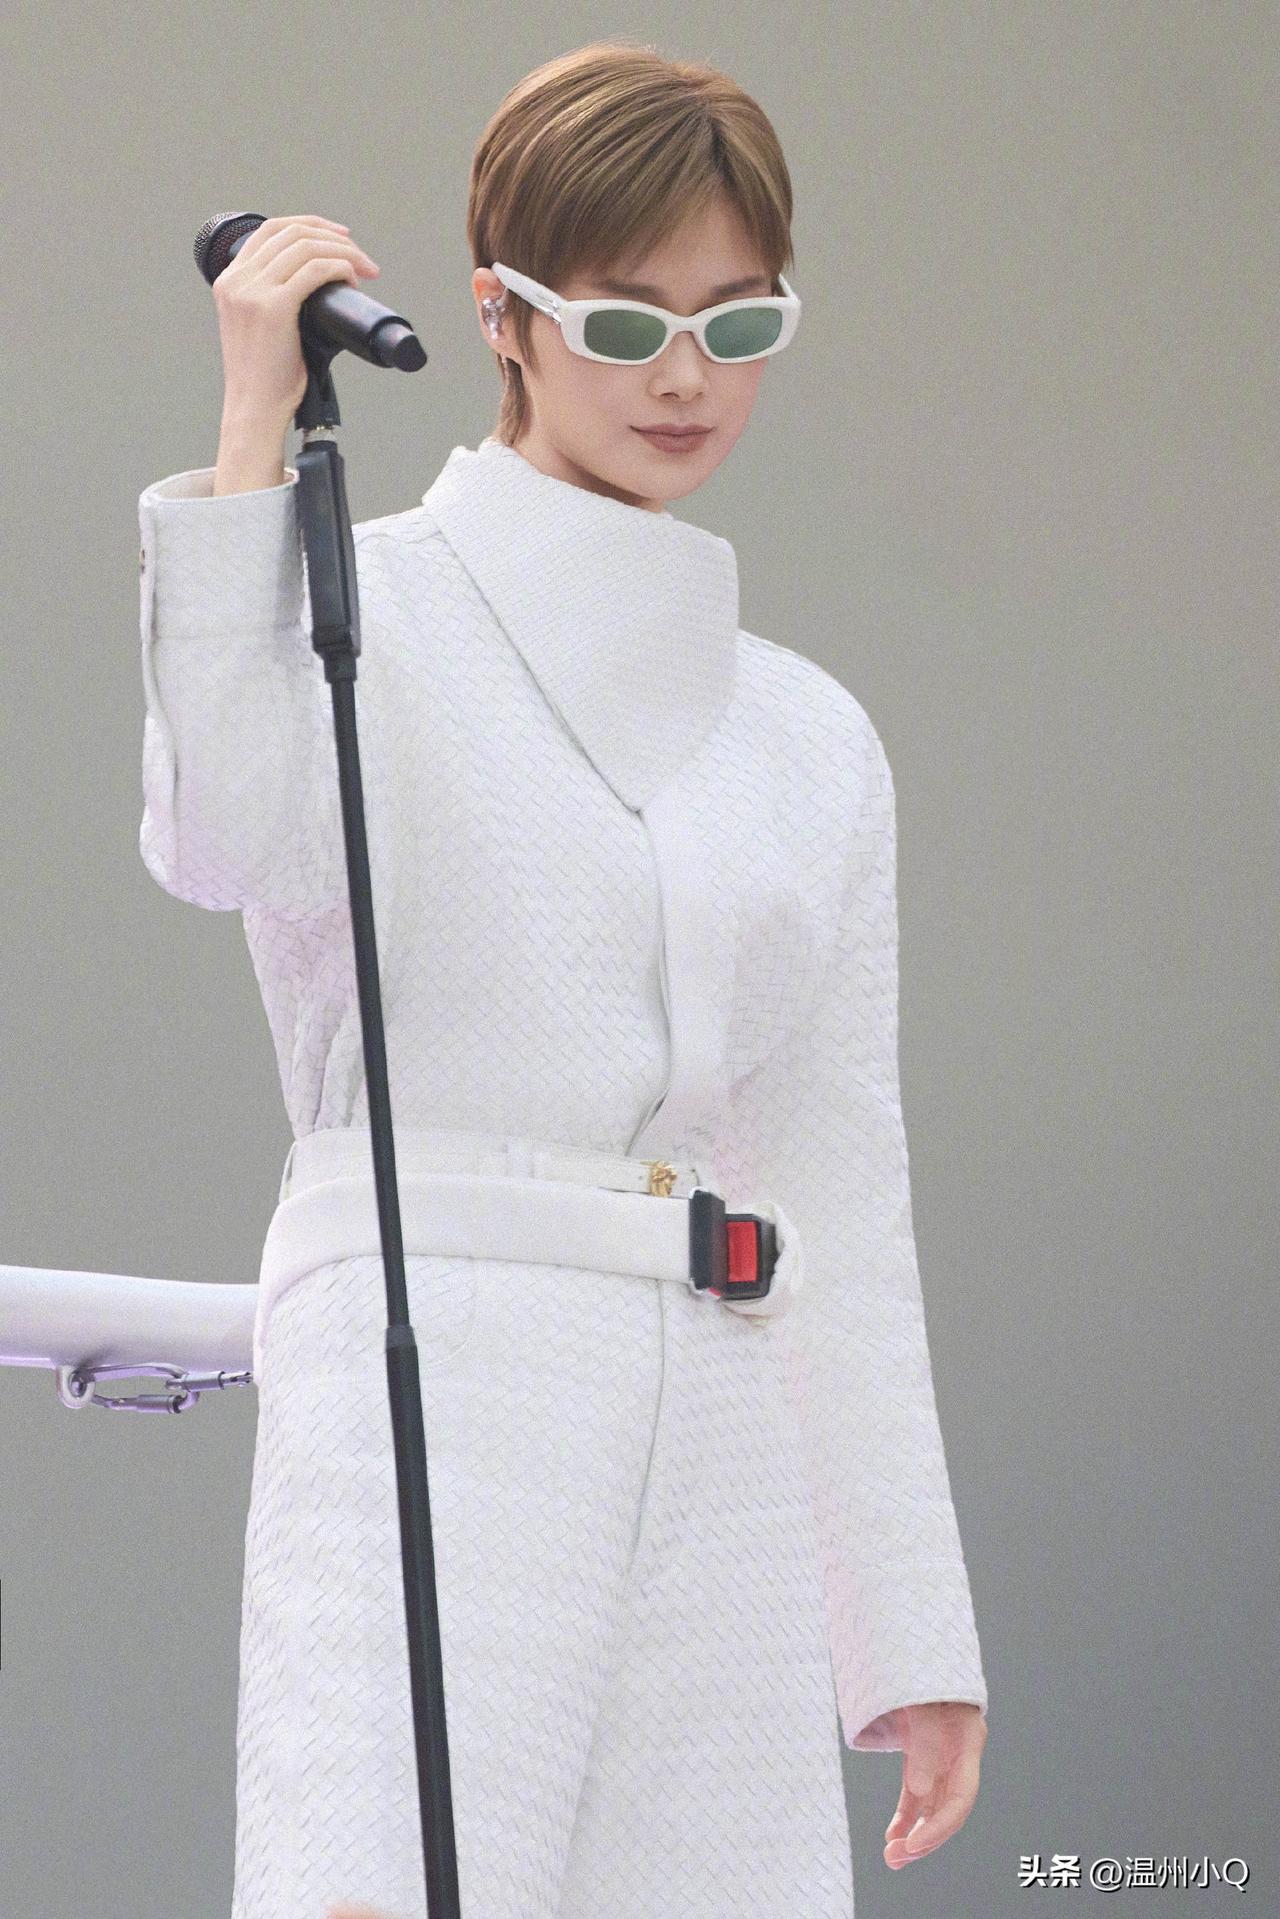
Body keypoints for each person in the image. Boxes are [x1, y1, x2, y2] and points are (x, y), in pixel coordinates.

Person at [136, 39, 988, 1919]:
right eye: (623, 323)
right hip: (437, 1369)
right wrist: (252, 434)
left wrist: (906, 1628)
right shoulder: (359, 609)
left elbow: (840, 1181)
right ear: (500, 318)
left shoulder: (810, 736)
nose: (685, 377)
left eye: (737, 323)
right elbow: (216, 839)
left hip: (726, 1411)